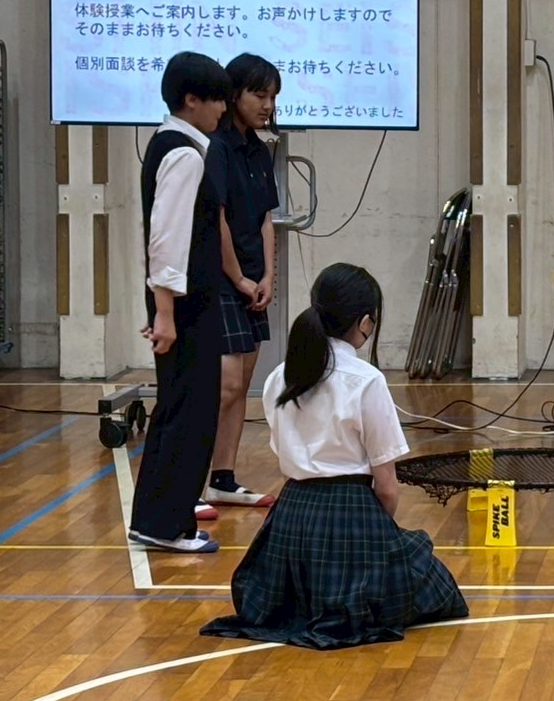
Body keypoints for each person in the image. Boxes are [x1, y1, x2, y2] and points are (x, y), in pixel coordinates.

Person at [200, 263, 468, 649]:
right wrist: (379, 539)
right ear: (366, 323)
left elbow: (283, 450)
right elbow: (387, 487)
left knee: (298, 598)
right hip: (352, 512)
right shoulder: (367, 380)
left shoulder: (279, 376)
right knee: (437, 589)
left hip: (290, 518)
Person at [128, 51, 231, 554]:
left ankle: (157, 518)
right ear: (191, 100)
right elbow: (166, 237)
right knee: (189, 413)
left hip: (180, 305)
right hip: (186, 308)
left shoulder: (172, 144)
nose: (223, 109)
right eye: (217, 100)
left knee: (178, 409)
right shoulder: (185, 154)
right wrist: (165, 313)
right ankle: (166, 525)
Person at [204, 53, 284, 510]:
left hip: (253, 281)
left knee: (243, 384)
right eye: (259, 94)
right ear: (234, 94)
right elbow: (217, 218)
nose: (267, 105)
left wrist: (268, 276)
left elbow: (266, 218)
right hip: (221, 282)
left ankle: (223, 478)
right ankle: (188, 482)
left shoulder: (259, 149)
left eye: (272, 96)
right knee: (225, 384)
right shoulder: (216, 147)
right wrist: (236, 277)